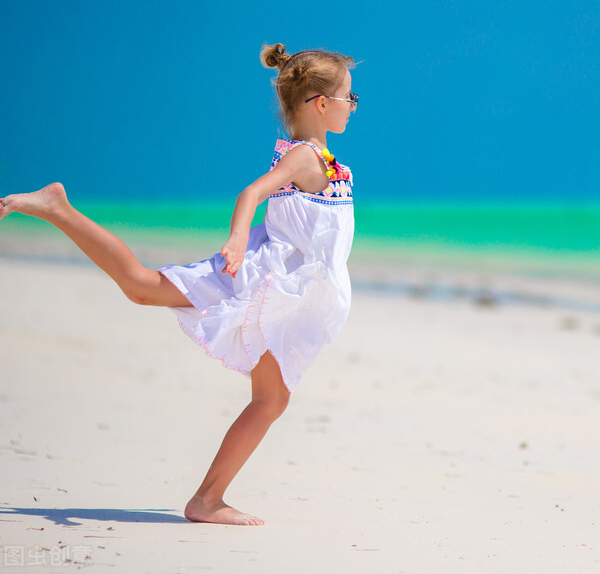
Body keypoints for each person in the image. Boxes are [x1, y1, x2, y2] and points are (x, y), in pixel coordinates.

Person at [0, 43, 358, 526]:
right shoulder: (306, 158)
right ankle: (57, 208)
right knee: (142, 287)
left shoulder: (320, 159)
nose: (351, 107)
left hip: (274, 286)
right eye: (348, 98)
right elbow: (251, 193)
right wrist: (234, 242)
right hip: (253, 279)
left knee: (270, 397)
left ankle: (208, 500)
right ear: (321, 103)